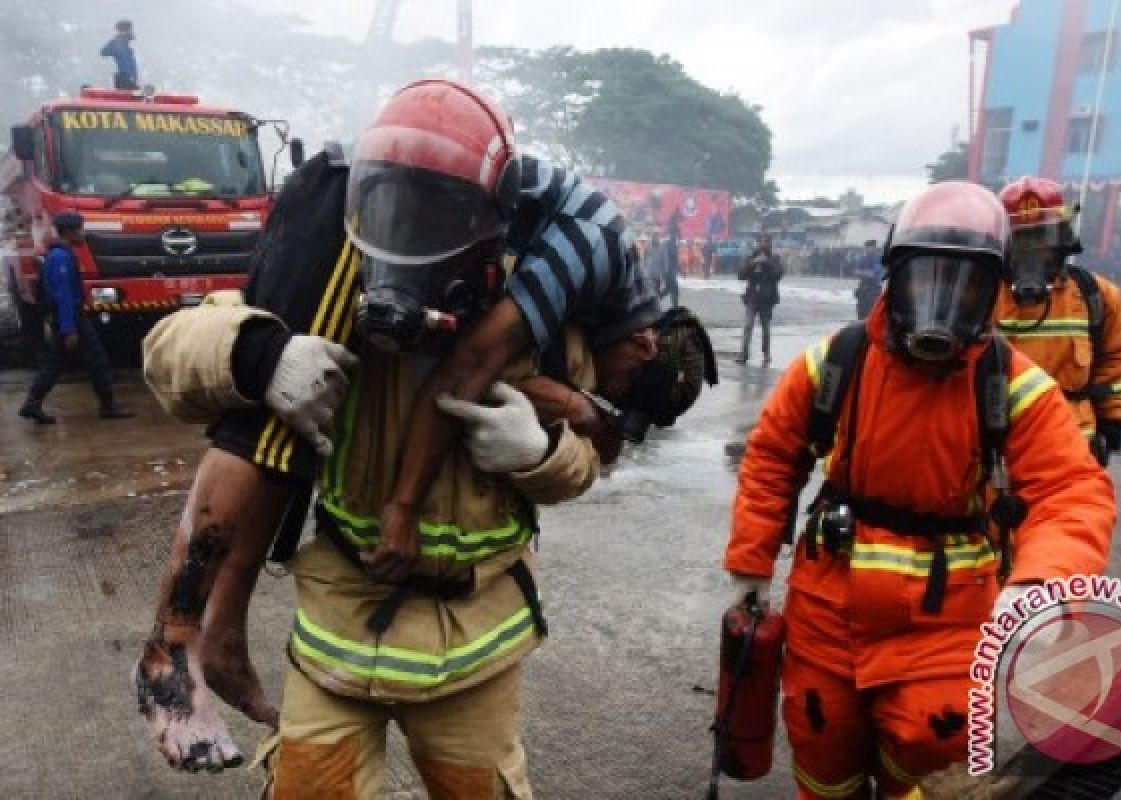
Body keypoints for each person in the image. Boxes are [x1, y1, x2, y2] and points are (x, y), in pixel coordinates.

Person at [133, 79, 715, 793]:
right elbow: (169, 355)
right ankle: (192, 633)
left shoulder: (549, 323)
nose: (416, 237)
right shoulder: (336, 281)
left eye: (440, 217)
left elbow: (591, 462)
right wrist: (260, 354)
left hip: (479, 647)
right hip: (339, 637)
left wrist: (541, 454)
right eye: (401, 211)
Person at [724, 182, 1115, 800]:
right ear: (895, 277)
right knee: (822, 747)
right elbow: (773, 456)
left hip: (947, 620)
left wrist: (1043, 584)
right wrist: (751, 560)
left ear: (993, 291)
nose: (943, 300)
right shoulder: (838, 361)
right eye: (928, 276)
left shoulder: (1010, 383)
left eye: (965, 284)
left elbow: (1072, 492)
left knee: (933, 745)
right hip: (827, 612)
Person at [993, 177, 1121, 466]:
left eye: (1041, 238)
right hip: (999, 445)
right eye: (1022, 240)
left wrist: (1112, 417)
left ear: (1061, 240)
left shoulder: (1098, 296)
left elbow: (1114, 362)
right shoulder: (981, 295)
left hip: (1069, 446)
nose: (1032, 250)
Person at [18, 211, 134, 424]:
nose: (84, 233)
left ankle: (32, 403)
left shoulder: (61, 254)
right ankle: (107, 406)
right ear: (70, 232)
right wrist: (69, 328)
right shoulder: (60, 257)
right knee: (96, 359)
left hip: (67, 317)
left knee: (54, 362)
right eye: (80, 229)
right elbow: (63, 295)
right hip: (70, 318)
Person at [735, 232, 783, 366]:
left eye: (766, 241)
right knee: (748, 326)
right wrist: (752, 263)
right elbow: (740, 275)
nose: (763, 244)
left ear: (770, 244)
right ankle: (743, 354)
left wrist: (766, 263)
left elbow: (778, 275)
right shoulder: (751, 258)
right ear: (756, 244)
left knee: (766, 329)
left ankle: (766, 354)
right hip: (752, 298)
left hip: (766, 299)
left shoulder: (774, 259)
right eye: (760, 241)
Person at [101, 19, 138, 90]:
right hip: (124, 78)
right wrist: (115, 40)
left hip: (128, 77)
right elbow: (103, 52)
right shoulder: (117, 43)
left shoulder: (124, 43)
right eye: (130, 29)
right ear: (125, 31)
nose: (132, 32)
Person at [853, 239, 883, 320]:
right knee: (861, 313)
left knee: (871, 314)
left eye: (869, 247)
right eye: (866, 247)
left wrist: (862, 272)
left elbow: (873, 274)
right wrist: (866, 272)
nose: (867, 249)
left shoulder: (878, 259)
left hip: (873, 289)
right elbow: (855, 272)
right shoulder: (863, 259)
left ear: (874, 247)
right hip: (863, 289)